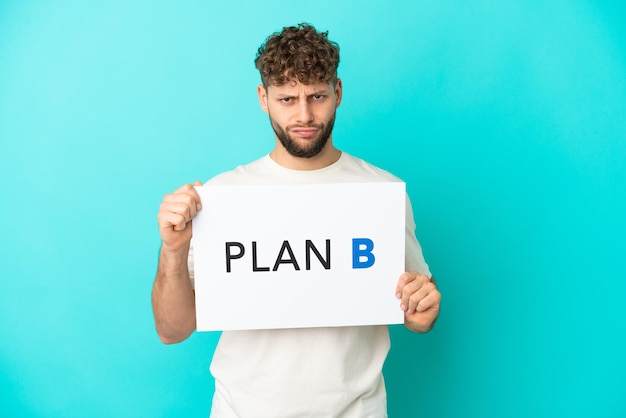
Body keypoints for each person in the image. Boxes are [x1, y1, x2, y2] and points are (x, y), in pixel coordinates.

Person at [152, 23, 441, 417]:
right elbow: (172, 330)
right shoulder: (223, 197)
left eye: (317, 96)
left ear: (337, 93)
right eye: (287, 99)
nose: (304, 115)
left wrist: (423, 307)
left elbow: (417, 311)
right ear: (263, 98)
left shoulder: (380, 192)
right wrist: (173, 249)